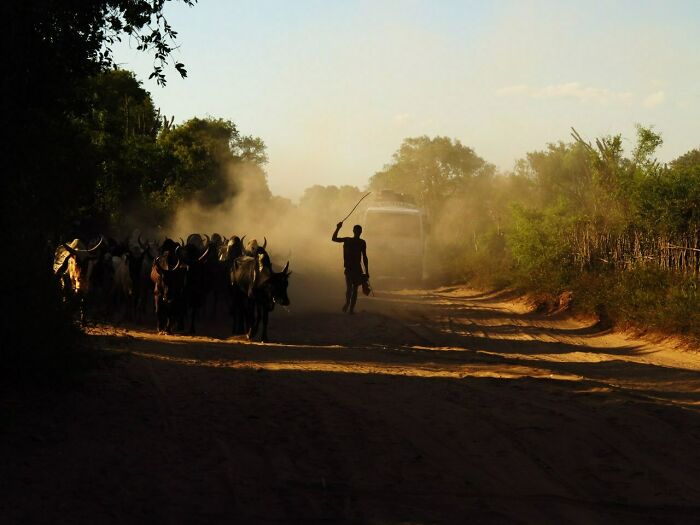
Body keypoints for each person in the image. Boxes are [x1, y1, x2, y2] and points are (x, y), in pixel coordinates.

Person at [332, 221, 369, 314]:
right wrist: (338, 228)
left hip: (356, 269)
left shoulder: (361, 242)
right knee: (350, 288)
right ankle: (348, 304)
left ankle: (351, 308)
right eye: (356, 231)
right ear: (354, 231)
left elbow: (364, 257)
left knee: (354, 289)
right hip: (349, 268)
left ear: (360, 232)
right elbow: (334, 239)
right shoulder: (348, 240)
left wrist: (367, 271)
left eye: (358, 231)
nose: (357, 233)